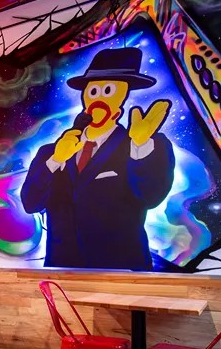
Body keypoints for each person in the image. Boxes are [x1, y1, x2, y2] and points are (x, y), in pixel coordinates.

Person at [21, 47, 176, 270]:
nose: (99, 99)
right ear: (85, 96)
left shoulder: (145, 145)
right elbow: (30, 202)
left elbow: (150, 196)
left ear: (122, 98)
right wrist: (54, 161)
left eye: (109, 91)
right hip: (62, 269)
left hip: (122, 271)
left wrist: (140, 145)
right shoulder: (50, 152)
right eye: (93, 91)